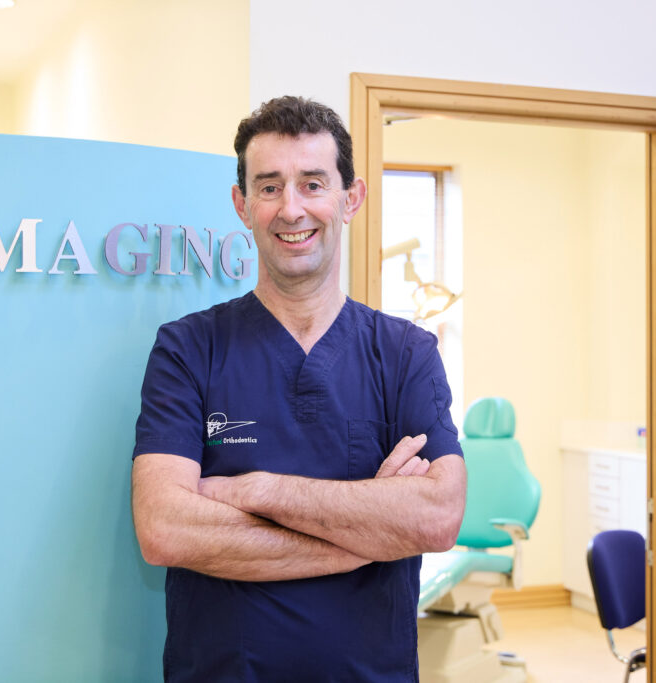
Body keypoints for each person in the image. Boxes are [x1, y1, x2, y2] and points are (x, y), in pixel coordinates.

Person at [131, 96, 467, 682]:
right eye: (269, 187)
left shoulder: (406, 353)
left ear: (350, 198)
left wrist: (255, 490)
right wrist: (369, 533)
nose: (292, 209)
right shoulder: (188, 350)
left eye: (313, 184)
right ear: (242, 204)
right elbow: (165, 527)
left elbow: (437, 517)